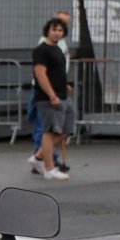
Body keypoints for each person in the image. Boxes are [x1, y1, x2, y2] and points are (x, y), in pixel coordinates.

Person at [27, 10, 72, 172]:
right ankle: (44, 158)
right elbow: (41, 72)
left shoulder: (61, 44)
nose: (61, 27)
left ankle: (43, 156)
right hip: (46, 90)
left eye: (65, 24)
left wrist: (64, 83)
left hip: (59, 88)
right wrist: (51, 93)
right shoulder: (44, 45)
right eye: (58, 23)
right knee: (45, 126)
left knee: (63, 126)